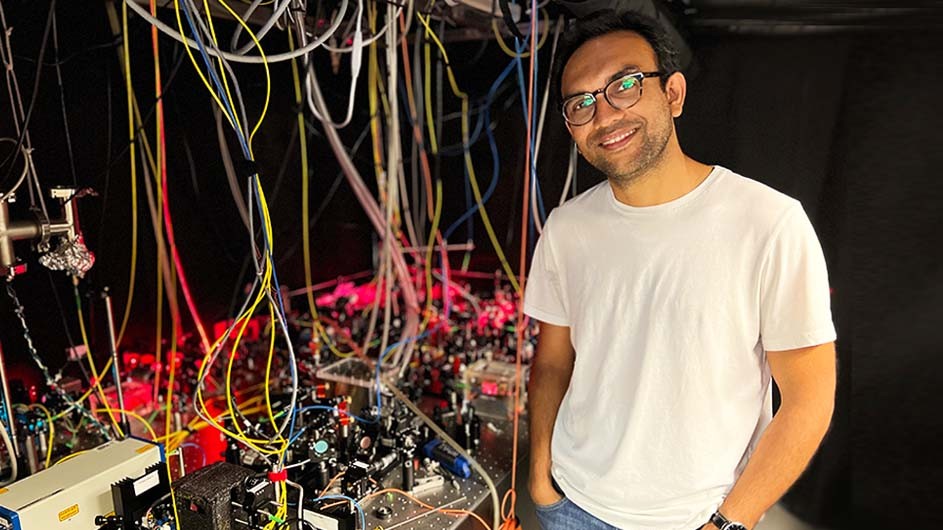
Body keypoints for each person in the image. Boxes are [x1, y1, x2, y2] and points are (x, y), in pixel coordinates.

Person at [523, 10, 837, 530]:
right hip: (571, 504)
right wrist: (540, 476)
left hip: (694, 519)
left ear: (673, 93)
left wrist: (729, 522)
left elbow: (809, 399)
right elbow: (553, 360)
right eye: (581, 103)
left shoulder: (769, 222)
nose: (604, 115)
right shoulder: (566, 228)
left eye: (624, 85)